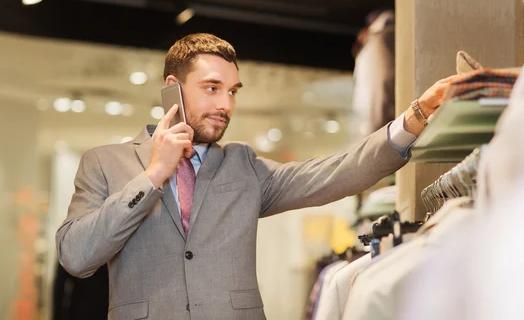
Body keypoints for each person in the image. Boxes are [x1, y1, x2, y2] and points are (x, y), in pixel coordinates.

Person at [56, 33, 450, 320]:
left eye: (232, 92)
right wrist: (155, 172)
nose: (225, 105)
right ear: (172, 90)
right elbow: (76, 256)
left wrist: (413, 118)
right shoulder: (103, 162)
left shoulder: (244, 166)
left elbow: (334, 173)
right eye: (212, 88)